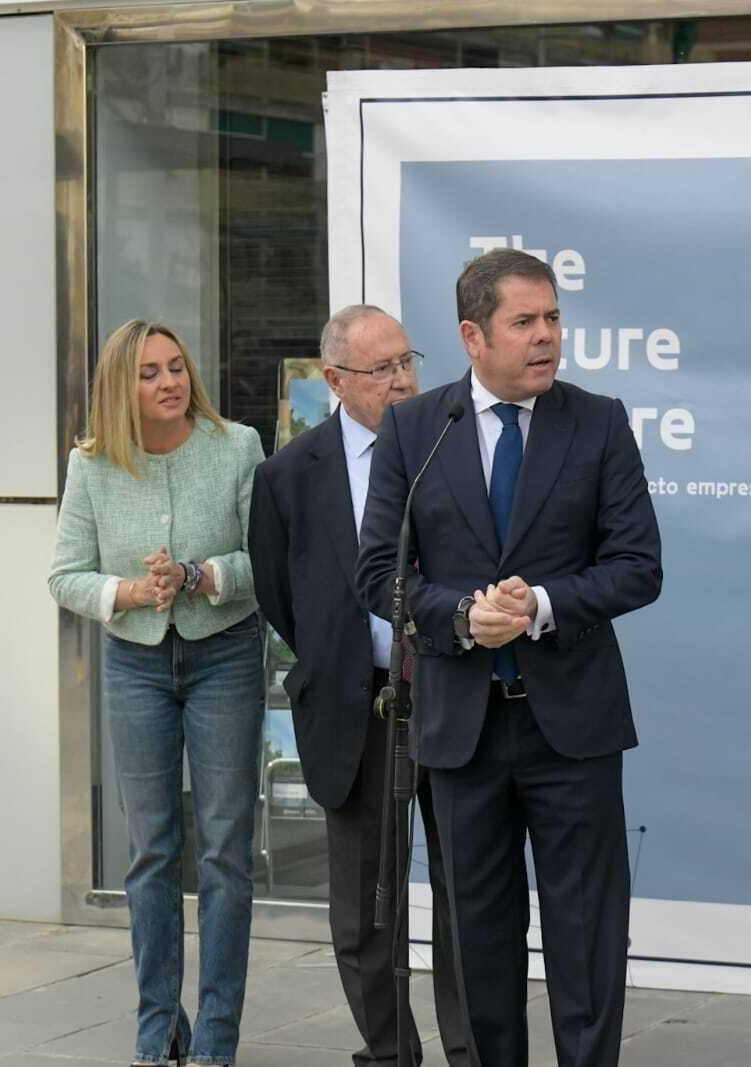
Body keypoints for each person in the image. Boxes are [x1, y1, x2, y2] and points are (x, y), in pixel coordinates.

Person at [356, 249, 662, 1067]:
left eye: (553, 318)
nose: (546, 337)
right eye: (524, 322)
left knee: (588, 941)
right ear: (471, 334)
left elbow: (638, 565)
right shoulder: (418, 430)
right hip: (463, 734)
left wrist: (543, 606)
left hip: (575, 729)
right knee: (479, 946)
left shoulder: (597, 421)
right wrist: (460, 615)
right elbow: (380, 573)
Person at [248, 304, 472, 1067]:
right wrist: (346, 652)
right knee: (366, 909)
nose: (404, 379)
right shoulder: (288, 475)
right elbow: (284, 592)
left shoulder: (455, 443)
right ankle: (391, 1053)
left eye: (407, 360)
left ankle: (472, 1051)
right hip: (355, 701)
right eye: (382, 369)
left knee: (466, 893)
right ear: (335, 380)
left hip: (450, 692)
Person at [48, 319, 266, 1067]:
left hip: (224, 656)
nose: (169, 381)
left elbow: (267, 560)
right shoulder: (93, 465)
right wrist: (130, 591)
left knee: (225, 852)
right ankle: (156, 1031)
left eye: (176, 367)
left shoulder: (236, 446)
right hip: (136, 662)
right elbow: (63, 573)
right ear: (121, 386)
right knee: (151, 852)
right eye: (149, 373)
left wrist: (203, 575)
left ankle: (215, 1038)